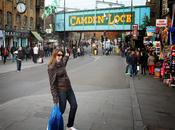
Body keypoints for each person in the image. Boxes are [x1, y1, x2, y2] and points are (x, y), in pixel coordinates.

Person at [48, 48, 78, 130]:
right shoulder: (51, 68)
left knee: (74, 106)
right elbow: (52, 85)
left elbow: (64, 60)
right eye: (58, 55)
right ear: (54, 55)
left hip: (69, 89)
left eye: (61, 55)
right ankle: (51, 125)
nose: (60, 57)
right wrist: (55, 98)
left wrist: (67, 55)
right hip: (61, 91)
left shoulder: (61, 63)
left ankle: (69, 126)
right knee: (61, 110)